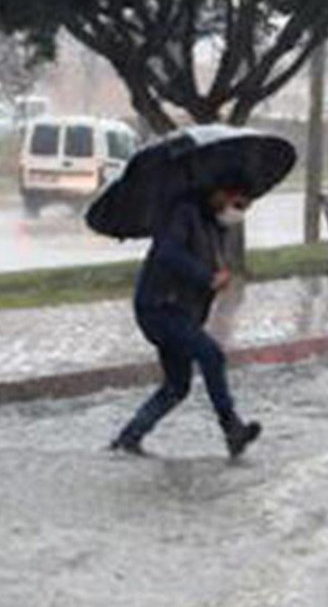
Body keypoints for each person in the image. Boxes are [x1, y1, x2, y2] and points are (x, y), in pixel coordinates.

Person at [111, 172, 262, 458]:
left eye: (243, 209)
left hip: (182, 312)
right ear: (221, 192)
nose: (237, 213)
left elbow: (206, 266)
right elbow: (168, 252)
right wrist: (206, 277)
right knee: (211, 355)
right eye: (237, 205)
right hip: (159, 308)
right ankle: (232, 428)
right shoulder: (184, 212)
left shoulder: (214, 225)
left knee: (177, 386)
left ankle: (128, 439)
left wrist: (218, 278)